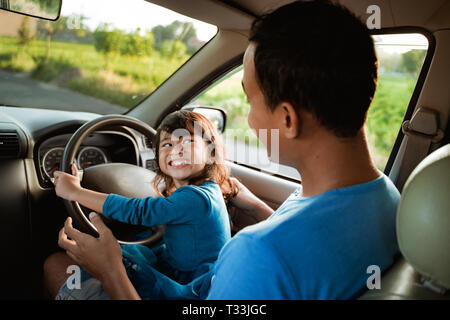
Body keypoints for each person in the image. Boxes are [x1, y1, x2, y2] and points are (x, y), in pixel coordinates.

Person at [206, 0, 400, 299]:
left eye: (250, 101)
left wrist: (112, 269)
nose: (249, 118)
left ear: (287, 119)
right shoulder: (389, 198)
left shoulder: (257, 256)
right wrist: (260, 210)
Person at [43, 110, 273, 300]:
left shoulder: (195, 198)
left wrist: (76, 191)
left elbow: (138, 211)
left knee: (57, 263)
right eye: (166, 144)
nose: (176, 149)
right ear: (158, 161)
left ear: (211, 153)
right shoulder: (208, 189)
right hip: (183, 264)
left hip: (188, 283)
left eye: (188, 141)